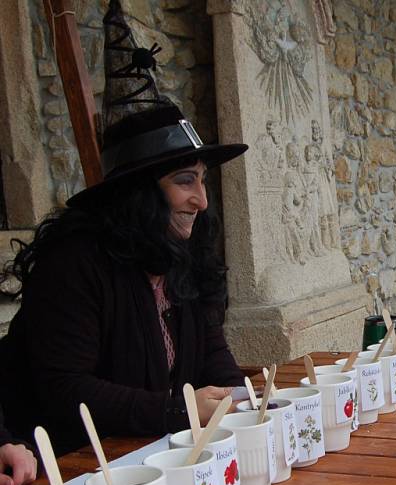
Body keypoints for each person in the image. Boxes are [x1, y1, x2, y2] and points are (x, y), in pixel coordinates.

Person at [0, 1, 248, 456]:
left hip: (153, 457)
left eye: (202, 180)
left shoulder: (181, 257)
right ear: (140, 193)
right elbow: (65, 388)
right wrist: (180, 410)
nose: (202, 200)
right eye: (185, 181)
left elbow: (213, 353)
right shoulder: (76, 263)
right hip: (69, 469)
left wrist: (240, 401)